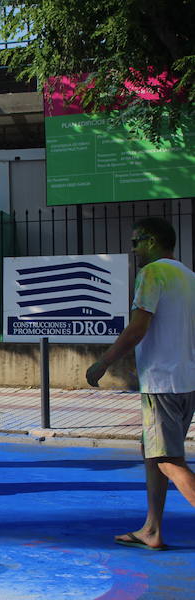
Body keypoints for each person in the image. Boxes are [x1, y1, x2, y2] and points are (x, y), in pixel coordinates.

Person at [86, 217, 195, 550]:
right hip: (187, 381)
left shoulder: (152, 274)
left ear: (152, 240)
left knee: (167, 460)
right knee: (152, 453)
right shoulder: (189, 276)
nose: (132, 249)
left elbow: (137, 328)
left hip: (161, 382)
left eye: (136, 242)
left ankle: (152, 528)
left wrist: (103, 362)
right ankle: (152, 529)